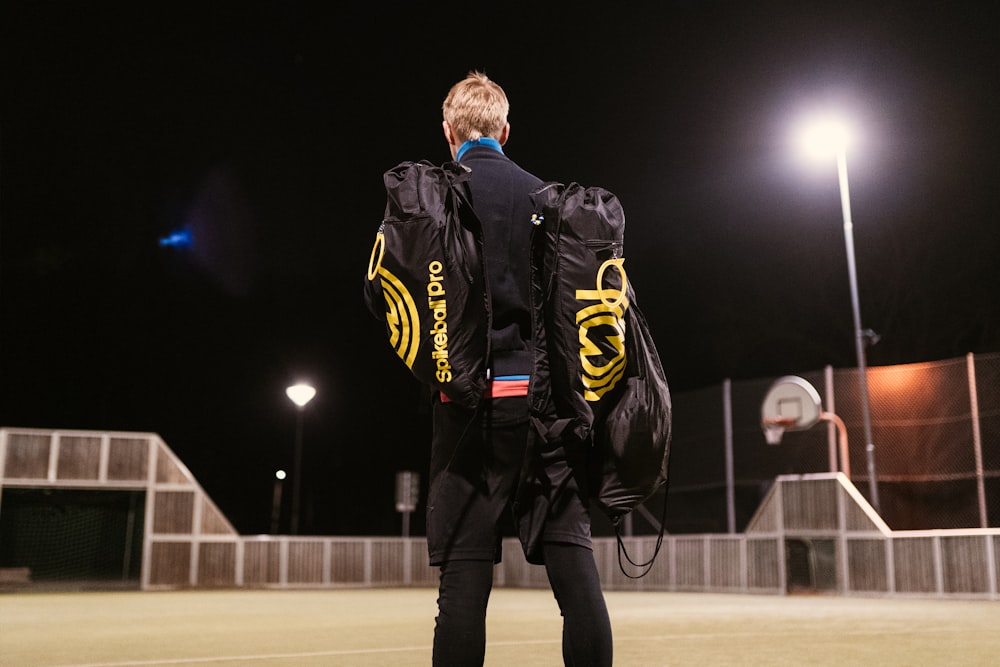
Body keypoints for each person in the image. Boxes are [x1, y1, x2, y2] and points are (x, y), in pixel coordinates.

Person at [425, 71, 613, 666]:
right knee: (577, 581)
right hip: (547, 409)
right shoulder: (550, 199)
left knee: (463, 588)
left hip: (470, 408)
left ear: (449, 131)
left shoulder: (433, 203)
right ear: (506, 130)